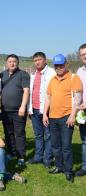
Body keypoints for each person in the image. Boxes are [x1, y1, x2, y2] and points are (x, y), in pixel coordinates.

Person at [43, 54, 82, 182]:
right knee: (55, 145)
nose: (58, 67)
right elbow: (48, 97)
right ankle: (59, 166)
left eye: (61, 65)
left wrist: (72, 115)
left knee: (66, 146)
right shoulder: (53, 80)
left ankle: (68, 170)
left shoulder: (73, 78)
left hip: (66, 117)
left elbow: (78, 98)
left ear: (66, 64)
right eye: (56, 65)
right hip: (53, 118)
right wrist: (45, 114)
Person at [0, 54, 30, 166]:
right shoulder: (2, 74)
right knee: (8, 133)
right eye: (10, 61)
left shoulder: (23, 75)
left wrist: (23, 107)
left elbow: (26, 91)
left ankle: (21, 156)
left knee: (19, 133)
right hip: (5, 110)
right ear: (6, 63)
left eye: (14, 62)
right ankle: (11, 153)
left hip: (18, 111)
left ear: (18, 63)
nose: (12, 63)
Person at [28, 52, 56, 168]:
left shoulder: (52, 73)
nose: (37, 62)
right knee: (38, 135)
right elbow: (31, 92)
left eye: (39, 59)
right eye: (35, 60)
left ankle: (47, 158)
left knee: (48, 135)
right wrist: (29, 108)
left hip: (47, 110)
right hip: (34, 109)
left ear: (45, 60)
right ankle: (38, 156)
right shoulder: (33, 74)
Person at [76, 44, 86, 176]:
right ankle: (85, 166)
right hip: (83, 111)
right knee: (84, 140)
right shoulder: (79, 71)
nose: (85, 56)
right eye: (83, 54)